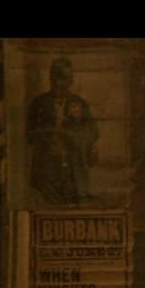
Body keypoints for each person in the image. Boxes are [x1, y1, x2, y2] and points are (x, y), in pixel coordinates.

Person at [27, 57, 99, 205]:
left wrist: (76, 131)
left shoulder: (79, 103)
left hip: (72, 168)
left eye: (69, 78)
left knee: (72, 205)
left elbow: (93, 131)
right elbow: (29, 135)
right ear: (53, 79)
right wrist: (50, 132)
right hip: (47, 168)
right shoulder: (38, 103)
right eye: (65, 78)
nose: (70, 82)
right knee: (48, 206)